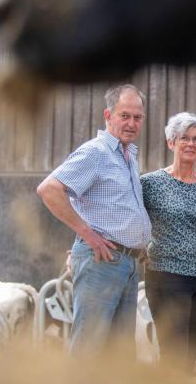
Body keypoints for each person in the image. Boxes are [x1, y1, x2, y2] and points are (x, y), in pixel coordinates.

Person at [36, 84, 151, 356]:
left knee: (119, 355)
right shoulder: (96, 152)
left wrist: (138, 242)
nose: (132, 123)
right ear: (108, 115)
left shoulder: (127, 156)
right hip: (102, 261)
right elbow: (49, 190)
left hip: (128, 262)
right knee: (89, 349)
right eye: (125, 116)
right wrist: (87, 235)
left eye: (137, 117)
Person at [141, 112, 196, 371]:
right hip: (166, 276)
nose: (191, 144)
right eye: (184, 138)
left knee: (188, 360)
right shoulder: (150, 184)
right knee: (173, 356)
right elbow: (127, 221)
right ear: (171, 142)